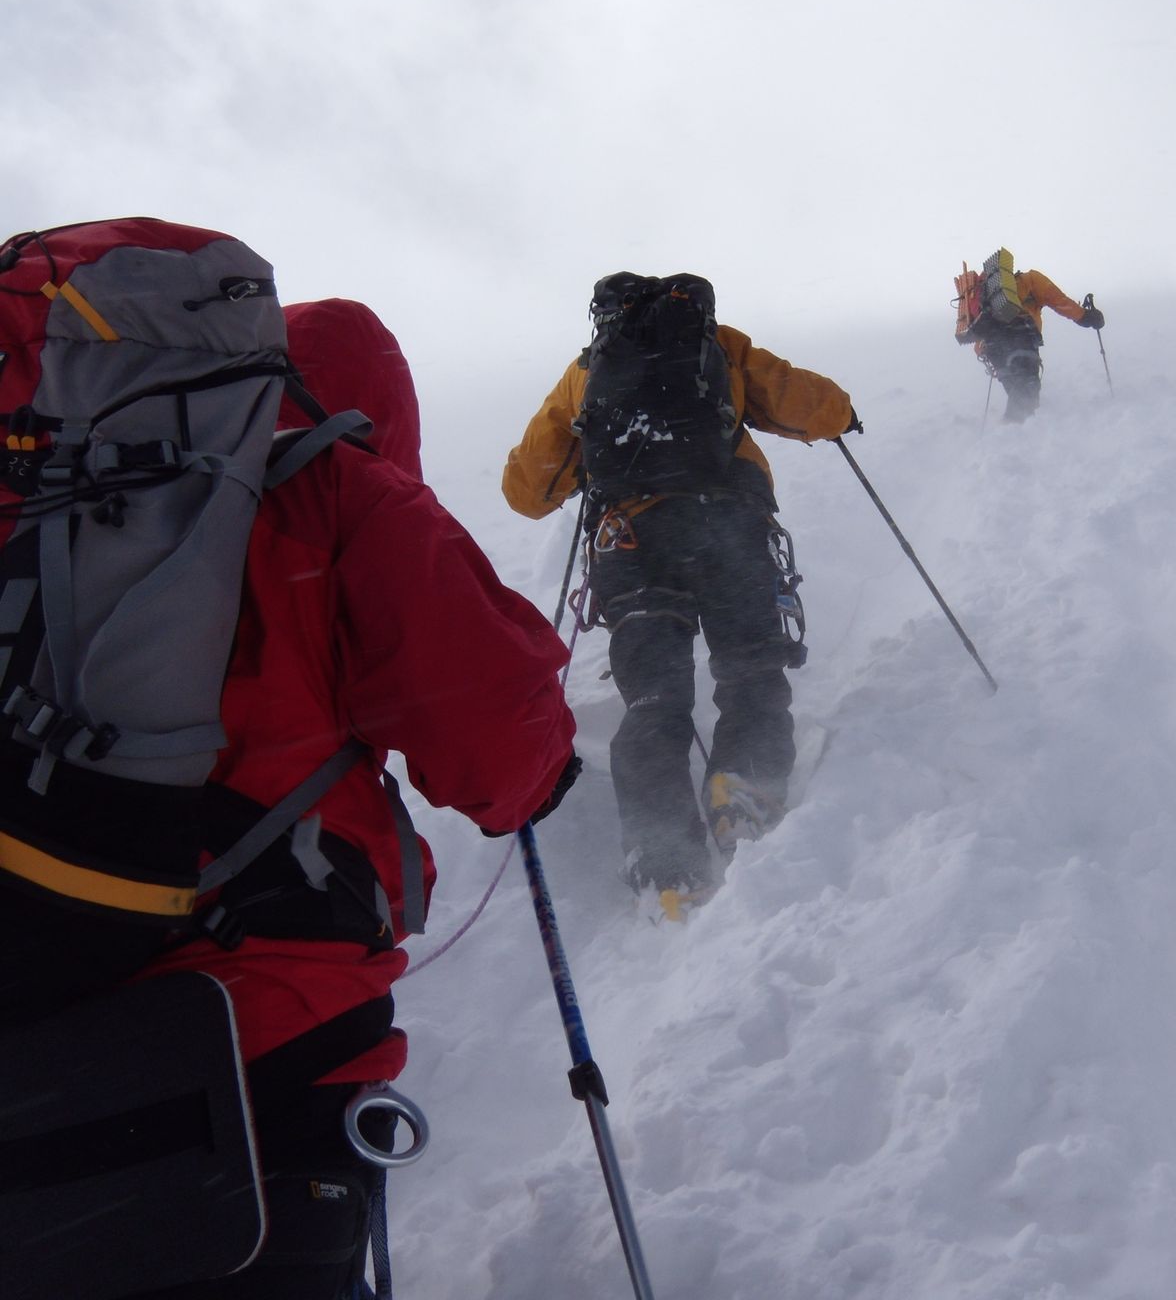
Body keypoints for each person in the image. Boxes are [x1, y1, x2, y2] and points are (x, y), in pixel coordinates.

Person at [0, 230, 579, 1300]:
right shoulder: (335, 489)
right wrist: (546, 779)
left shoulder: (36, 494)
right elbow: (503, 746)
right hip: (260, 1044)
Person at [502, 270, 856, 915]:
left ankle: (662, 849)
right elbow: (818, 406)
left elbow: (528, 492)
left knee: (653, 697)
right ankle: (742, 786)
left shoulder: (585, 373)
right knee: (750, 666)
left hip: (631, 542)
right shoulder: (721, 347)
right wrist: (843, 418)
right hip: (729, 526)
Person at [961, 247, 1105, 422]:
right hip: (1021, 337)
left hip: (993, 349)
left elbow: (978, 341)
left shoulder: (985, 304)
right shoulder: (1030, 280)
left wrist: (988, 353)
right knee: (1026, 393)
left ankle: (1011, 433)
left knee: (1019, 393)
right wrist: (1086, 317)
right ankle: (1013, 433)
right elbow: (1060, 302)